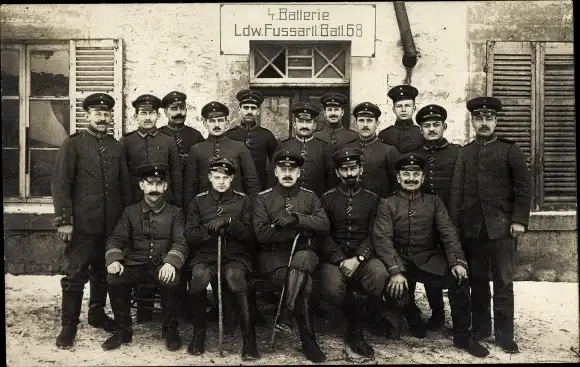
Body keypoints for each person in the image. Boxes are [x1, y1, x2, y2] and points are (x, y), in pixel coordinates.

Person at [373, 153, 489, 358]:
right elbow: (382, 239)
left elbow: (448, 232)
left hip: (426, 259)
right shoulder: (387, 204)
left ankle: (463, 335)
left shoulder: (434, 201)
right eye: (406, 174)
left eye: (416, 174)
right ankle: (412, 313)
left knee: (459, 278)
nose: (411, 178)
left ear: (423, 178)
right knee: (396, 298)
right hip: (400, 261)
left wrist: (456, 261)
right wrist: (395, 270)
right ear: (398, 178)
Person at [449, 97, 532, 353]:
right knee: (477, 279)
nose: (483, 123)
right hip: (473, 228)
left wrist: (519, 220)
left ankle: (505, 334)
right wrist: (455, 227)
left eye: (488, 118)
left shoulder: (510, 150)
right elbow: (457, 192)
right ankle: (482, 327)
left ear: (495, 121)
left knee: (504, 281)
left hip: (502, 226)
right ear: (472, 121)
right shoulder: (466, 152)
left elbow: (523, 188)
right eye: (479, 119)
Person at [51, 93, 131, 349]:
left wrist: (125, 223)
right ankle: (69, 326)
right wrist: (64, 220)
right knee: (75, 275)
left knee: (103, 272)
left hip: (110, 225)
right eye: (98, 114)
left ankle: (96, 313)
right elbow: (61, 184)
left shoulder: (115, 146)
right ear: (88, 116)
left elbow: (124, 186)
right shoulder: (73, 144)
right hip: (83, 225)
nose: (103, 118)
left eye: (107, 114)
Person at [253, 149, 330, 363]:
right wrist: (289, 228)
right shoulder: (263, 199)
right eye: (283, 169)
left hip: (305, 252)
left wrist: (297, 219)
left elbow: (324, 224)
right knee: (303, 284)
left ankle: (286, 314)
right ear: (276, 172)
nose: (287, 173)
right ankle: (308, 341)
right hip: (274, 258)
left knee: (303, 260)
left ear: (299, 173)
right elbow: (261, 234)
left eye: (292, 169)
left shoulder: (310, 197)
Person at [102, 163, 189, 351]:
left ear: (165, 187)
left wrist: (171, 263)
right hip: (136, 265)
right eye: (150, 184)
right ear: (142, 186)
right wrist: (115, 259)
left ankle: (171, 329)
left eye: (159, 184)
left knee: (172, 280)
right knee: (113, 278)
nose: (154, 189)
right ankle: (122, 330)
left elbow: (181, 242)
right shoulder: (130, 212)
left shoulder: (176, 213)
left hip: (161, 264)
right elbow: (116, 238)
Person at [184, 155, 260, 360]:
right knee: (198, 278)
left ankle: (249, 340)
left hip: (235, 255)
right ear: (209, 177)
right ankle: (198, 334)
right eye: (217, 177)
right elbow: (189, 234)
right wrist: (208, 230)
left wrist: (230, 223)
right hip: (206, 255)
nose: (221, 181)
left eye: (225, 178)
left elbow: (251, 235)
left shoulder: (243, 200)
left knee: (236, 278)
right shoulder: (198, 201)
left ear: (232, 178)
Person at [318, 148, 389, 360]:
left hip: (363, 257)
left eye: (353, 168)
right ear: (338, 173)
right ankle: (350, 316)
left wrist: (359, 258)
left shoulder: (372, 199)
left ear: (360, 169)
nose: (349, 174)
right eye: (344, 170)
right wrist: (340, 259)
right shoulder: (327, 199)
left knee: (379, 275)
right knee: (331, 287)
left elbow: (374, 233)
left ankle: (356, 329)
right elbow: (323, 234)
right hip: (334, 258)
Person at [407, 104, 462, 330]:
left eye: (436, 125)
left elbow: (461, 188)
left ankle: (461, 319)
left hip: (451, 219)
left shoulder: (457, 153)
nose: (431, 129)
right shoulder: (414, 155)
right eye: (427, 126)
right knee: (431, 268)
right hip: (424, 223)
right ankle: (437, 313)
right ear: (420, 130)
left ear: (444, 127)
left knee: (455, 267)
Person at [184, 101, 260, 211]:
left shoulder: (239, 147)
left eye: (220, 120)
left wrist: (253, 211)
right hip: (206, 209)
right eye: (212, 121)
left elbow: (251, 182)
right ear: (205, 124)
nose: (216, 125)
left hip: (236, 209)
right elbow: (190, 186)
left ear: (227, 123)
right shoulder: (196, 150)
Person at [122, 94, 183, 207]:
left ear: (158, 115)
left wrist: (177, 204)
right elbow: (123, 177)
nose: (148, 118)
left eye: (152, 113)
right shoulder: (126, 141)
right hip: (136, 201)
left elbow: (176, 176)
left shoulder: (168, 141)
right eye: (143, 113)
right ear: (136, 116)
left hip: (164, 201)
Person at [270, 101, 333, 197]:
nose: (304, 126)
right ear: (295, 125)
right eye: (300, 121)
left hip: (317, 201)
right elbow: (272, 177)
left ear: (314, 125)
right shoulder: (283, 146)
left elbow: (331, 180)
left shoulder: (324, 147)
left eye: (308, 122)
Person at [344, 102, 400, 198]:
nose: (365, 125)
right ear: (355, 123)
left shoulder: (388, 151)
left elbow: (396, 184)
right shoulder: (346, 149)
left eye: (369, 121)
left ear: (377, 123)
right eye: (361, 120)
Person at [227, 89, 278, 191]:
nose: (249, 112)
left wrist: (270, 188)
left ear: (258, 111)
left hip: (260, 189)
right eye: (245, 108)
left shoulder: (267, 136)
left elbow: (276, 164)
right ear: (239, 110)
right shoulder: (229, 135)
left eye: (253, 108)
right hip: (233, 189)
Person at [159, 91, 205, 167]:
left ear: (186, 110)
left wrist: (192, 161)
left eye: (182, 108)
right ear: (166, 112)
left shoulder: (196, 135)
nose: (179, 112)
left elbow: (205, 163)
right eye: (174, 109)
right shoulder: (158, 135)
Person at [378, 85, 423, 153]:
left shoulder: (421, 133)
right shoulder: (384, 135)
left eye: (407, 106)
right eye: (399, 106)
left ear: (414, 109)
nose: (403, 110)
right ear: (393, 109)